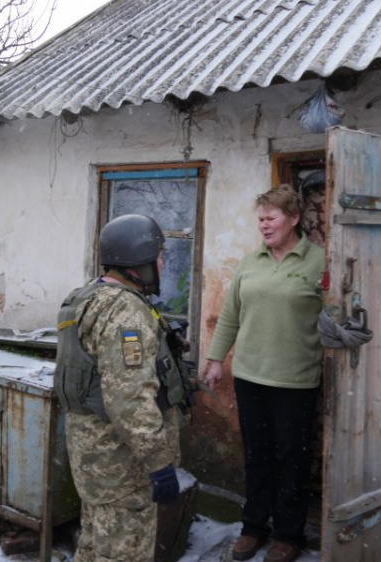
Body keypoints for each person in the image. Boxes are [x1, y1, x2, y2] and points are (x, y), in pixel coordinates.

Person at [54, 214, 188, 562]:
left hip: (93, 456)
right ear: (138, 261)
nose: (162, 262)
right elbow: (128, 398)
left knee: (95, 544)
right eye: (158, 255)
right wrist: (159, 464)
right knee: (123, 552)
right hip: (121, 466)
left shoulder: (88, 296)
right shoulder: (125, 311)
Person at [204, 185, 325, 562]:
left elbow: (335, 316)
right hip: (250, 375)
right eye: (260, 219)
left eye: (271, 218)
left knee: (292, 458)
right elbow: (230, 315)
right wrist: (215, 359)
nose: (264, 225)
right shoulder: (250, 261)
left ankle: (288, 535)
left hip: (295, 379)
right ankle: (253, 527)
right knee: (256, 455)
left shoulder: (318, 262)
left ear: (293, 219)